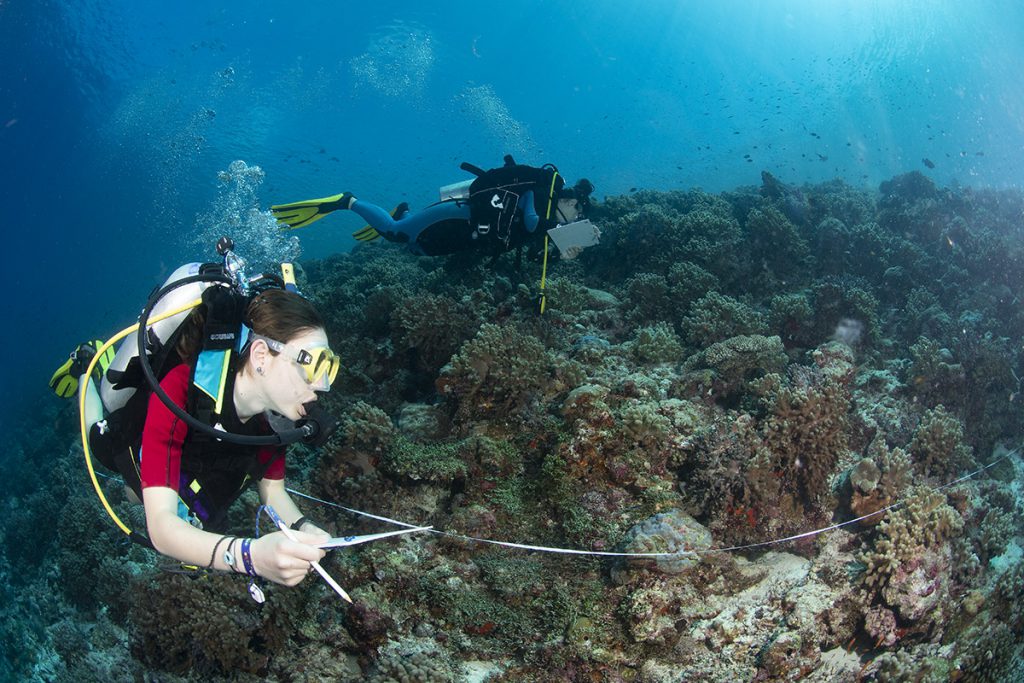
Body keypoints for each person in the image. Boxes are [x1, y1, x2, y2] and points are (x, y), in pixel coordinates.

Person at [55, 286, 338, 587]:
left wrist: (305, 528)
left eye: (330, 368)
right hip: (131, 442)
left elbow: (274, 492)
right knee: (97, 441)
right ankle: (86, 364)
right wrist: (250, 556)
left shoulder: (277, 420)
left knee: (140, 496)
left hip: (191, 464)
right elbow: (162, 529)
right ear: (261, 356)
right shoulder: (180, 390)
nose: (322, 385)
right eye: (314, 364)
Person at [270, 156, 595, 258]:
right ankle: (346, 201)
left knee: (416, 250)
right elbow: (529, 222)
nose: (576, 217)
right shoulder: (538, 196)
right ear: (569, 200)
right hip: (458, 214)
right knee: (397, 236)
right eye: (578, 211)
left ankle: (403, 212)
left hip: (463, 232)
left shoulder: (549, 209)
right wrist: (556, 231)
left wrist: (568, 240)